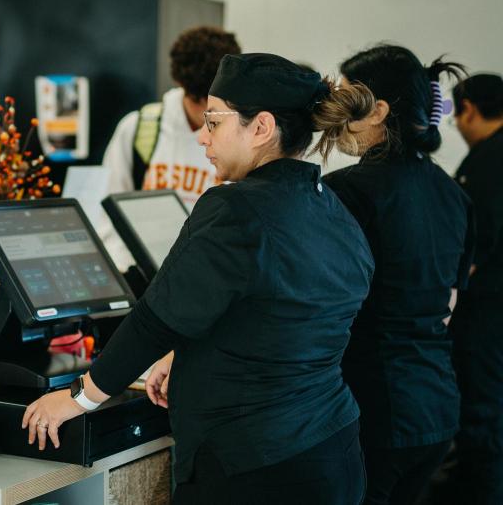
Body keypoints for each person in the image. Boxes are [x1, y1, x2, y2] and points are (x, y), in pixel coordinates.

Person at [23, 53, 377, 505]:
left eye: (213, 122)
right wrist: (187, 351)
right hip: (334, 450)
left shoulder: (236, 208)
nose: (203, 137)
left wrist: (78, 399)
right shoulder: (329, 205)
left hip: (254, 465)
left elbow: (153, 319)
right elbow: (277, 313)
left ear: (261, 127)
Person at [320, 45, 473, 505]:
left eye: (347, 101)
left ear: (378, 111)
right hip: (438, 406)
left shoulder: (346, 191)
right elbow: (449, 303)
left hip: (375, 408)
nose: (336, 115)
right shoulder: (451, 192)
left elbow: (323, 304)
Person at [98, 26, 239, 271]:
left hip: (205, 274)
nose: (206, 110)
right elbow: (109, 213)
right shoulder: (139, 128)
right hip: (142, 272)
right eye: (198, 100)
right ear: (181, 84)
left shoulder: (241, 136)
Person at [448, 72, 503, 504]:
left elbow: (477, 242)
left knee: (482, 412)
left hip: (487, 311)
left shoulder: (489, 160)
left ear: (468, 109)